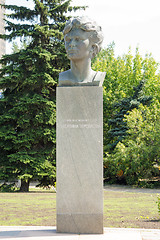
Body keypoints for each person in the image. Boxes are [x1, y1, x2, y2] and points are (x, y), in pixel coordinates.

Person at [58, 16, 106, 86]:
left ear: (93, 47)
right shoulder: (63, 78)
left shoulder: (97, 78)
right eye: (68, 40)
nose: (71, 44)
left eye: (78, 39)